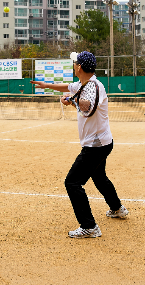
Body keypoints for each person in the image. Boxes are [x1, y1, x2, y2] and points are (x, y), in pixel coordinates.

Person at [30, 51, 128, 239]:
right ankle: (117, 209)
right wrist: (46, 86)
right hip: (102, 142)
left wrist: (71, 100)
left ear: (80, 67)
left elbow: (87, 107)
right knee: (99, 177)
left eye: (75, 63)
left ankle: (89, 226)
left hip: (95, 145)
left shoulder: (93, 87)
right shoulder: (85, 84)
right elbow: (68, 87)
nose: (74, 66)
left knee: (72, 182)